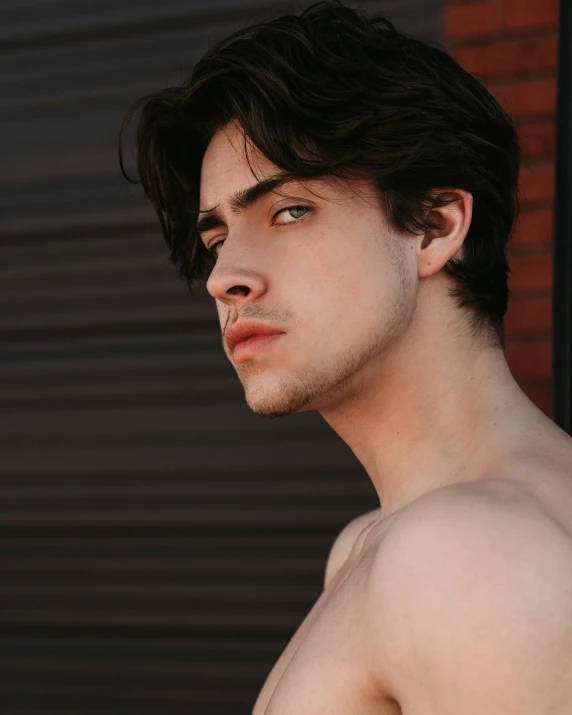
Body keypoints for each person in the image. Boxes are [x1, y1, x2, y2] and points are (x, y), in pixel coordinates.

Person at [119, 1, 572, 712]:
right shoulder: (375, 545)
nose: (224, 276)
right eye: (216, 238)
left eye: (289, 210)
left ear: (435, 226)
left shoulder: (465, 555)